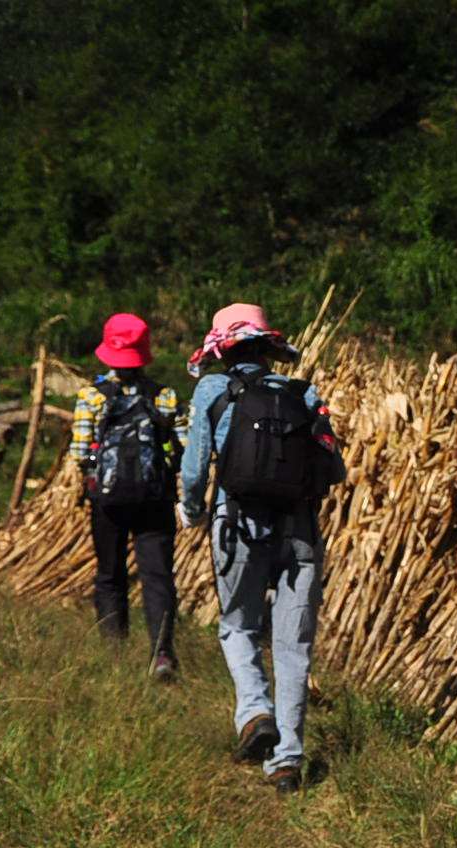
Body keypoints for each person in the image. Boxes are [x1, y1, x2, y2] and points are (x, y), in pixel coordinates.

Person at [179, 303, 341, 794]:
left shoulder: (212, 390)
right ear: (269, 348)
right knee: (294, 648)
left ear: (223, 350)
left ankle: (255, 713)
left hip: (238, 527)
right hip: (299, 531)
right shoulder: (304, 393)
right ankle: (287, 761)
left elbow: (193, 470)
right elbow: (336, 471)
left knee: (237, 627)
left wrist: (192, 509)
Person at [72, 312, 185, 679]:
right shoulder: (164, 397)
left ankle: (114, 657)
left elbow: (79, 454)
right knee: (157, 576)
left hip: (108, 502)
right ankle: (163, 654)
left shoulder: (91, 397)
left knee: (110, 575)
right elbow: (184, 444)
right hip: (156, 500)